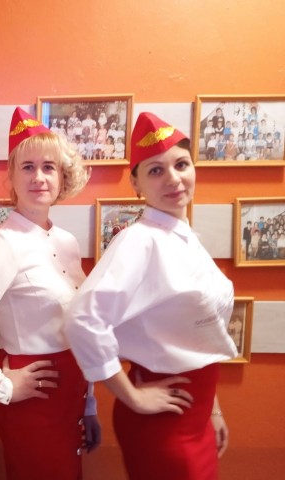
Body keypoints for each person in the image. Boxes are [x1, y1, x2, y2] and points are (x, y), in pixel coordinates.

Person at [65, 112, 238, 480]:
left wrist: (212, 409)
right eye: (156, 170)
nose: (173, 178)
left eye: (181, 164)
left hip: (193, 411)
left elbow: (195, 337)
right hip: (163, 422)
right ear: (136, 183)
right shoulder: (139, 241)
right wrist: (131, 396)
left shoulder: (183, 236)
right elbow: (82, 319)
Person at [0, 107, 100, 480]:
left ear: (61, 176)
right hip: (34, 396)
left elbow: (81, 325)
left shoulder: (66, 241)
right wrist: (0, 385)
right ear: (11, 176)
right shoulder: (5, 243)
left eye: (48, 167)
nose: (38, 177)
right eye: (27, 167)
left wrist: (89, 404)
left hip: (71, 394)